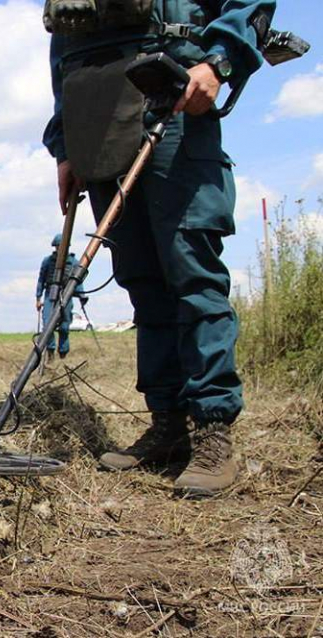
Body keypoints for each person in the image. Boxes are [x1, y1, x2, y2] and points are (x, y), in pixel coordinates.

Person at [42, 0, 276, 497]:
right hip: (99, 120)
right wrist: (66, 145)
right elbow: (63, 47)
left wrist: (218, 60)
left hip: (171, 99)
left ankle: (212, 431)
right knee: (143, 283)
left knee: (191, 274)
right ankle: (167, 426)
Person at [36, 233, 87, 361]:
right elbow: (41, 280)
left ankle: (63, 353)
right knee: (48, 324)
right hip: (50, 293)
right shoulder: (47, 261)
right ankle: (50, 352)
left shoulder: (74, 262)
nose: (60, 248)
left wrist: (82, 296)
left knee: (64, 326)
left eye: (62, 246)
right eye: (58, 246)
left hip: (67, 293)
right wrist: (38, 298)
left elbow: (78, 282)